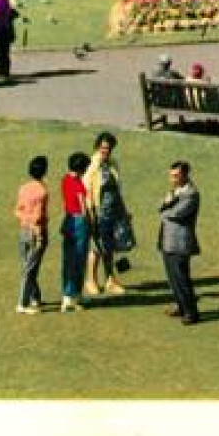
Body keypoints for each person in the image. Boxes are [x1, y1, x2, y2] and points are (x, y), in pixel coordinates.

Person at [84, 132, 133, 298]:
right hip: (99, 212)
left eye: (109, 148)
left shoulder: (112, 164)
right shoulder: (92, 165)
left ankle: (110, 280)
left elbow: (117, 189)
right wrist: (91, 214)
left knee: (110, 246)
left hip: (114, 211)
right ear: (97, 146)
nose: (106, 151)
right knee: (96, 247)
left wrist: (124, 211)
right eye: (103, 147)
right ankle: (91, 280)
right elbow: (87, 191)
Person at [157, 160, 202, 326]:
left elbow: (174, 214)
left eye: (176, 176)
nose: (172, 179)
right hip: (168, 241)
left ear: (185, 174)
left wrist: (165, 205)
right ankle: (181, 306)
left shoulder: (191, 194)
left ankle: (191, 312)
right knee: (173, 278)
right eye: (171, 175)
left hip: (179, 243)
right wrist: (165, 205)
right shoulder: (177, 190)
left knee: (182, 279)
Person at [13, 155, 49, 314]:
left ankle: (35, 297)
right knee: (30, 269)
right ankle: (23, 303)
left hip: (23, 230)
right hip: (36, 232)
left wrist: (25, 220)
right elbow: (39, 215)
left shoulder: (23, 188)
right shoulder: (42, 191)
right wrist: (39, 235)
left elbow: (17, 210)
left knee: (27, 266)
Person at [59, 152, 91, 312]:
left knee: (68, 259)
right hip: (79, 222)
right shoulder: (78, 184)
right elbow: (83, 207)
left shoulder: (65, 179)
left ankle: (67, 295)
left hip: (68, 219)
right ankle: (74, 295)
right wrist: (90, 222)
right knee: (79, 260)